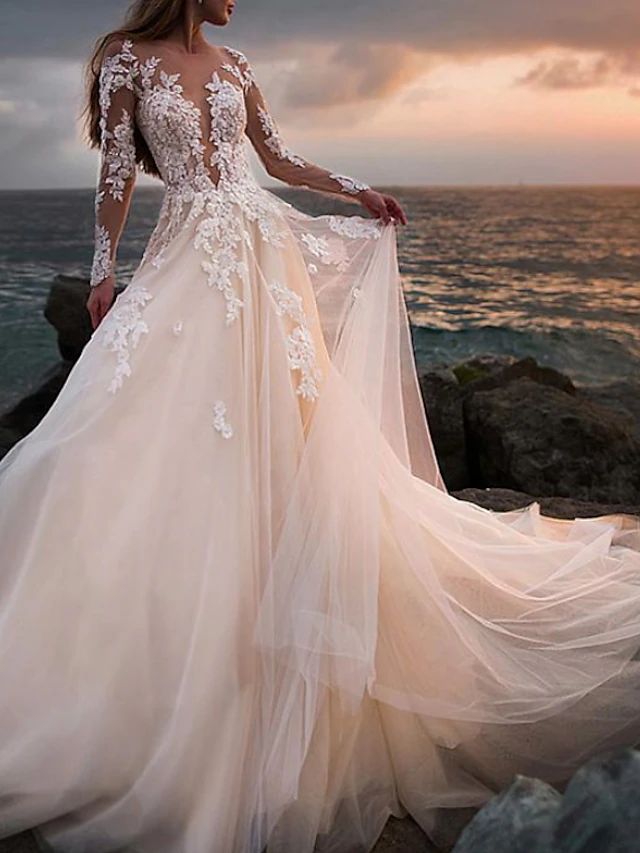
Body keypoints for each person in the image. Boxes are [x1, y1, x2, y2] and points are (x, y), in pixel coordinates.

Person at [0, 1, 639, 852]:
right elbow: (117, 168)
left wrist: (353, 189)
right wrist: (102, 273)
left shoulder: (236, 67)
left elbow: (272, 156)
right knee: (153, 432)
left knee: (294, 431)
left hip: (262, 252)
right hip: (190, 254)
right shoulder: (126, 59)